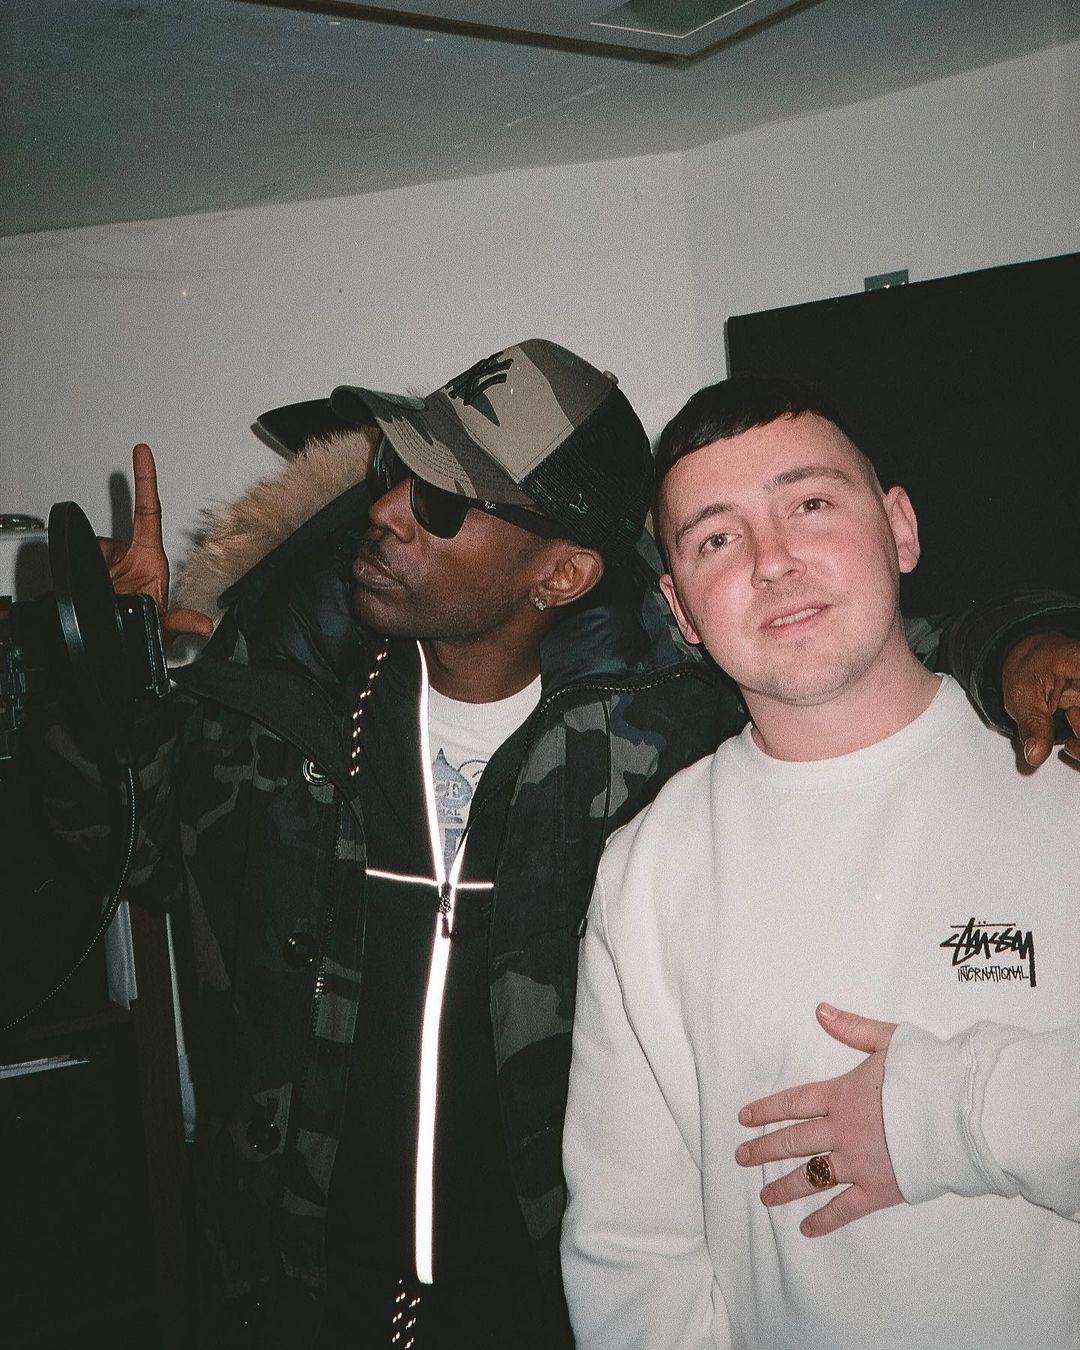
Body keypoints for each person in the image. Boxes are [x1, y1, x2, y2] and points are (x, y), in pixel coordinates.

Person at [88, 344, 1079, 1347]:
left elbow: (837, 652)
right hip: (292, 1301)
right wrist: (99, 694)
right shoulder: (275, 721)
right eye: (393, 476)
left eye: (442, 500)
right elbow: (116, 865)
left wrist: (1027, 636)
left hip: (531, 1314)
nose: (386, 511)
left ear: (560, 574)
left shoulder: (649, 742)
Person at [560, 373, 1080, 1350]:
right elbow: (634, 1251)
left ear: (900, 528)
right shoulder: (648, 867)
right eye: (716, 539)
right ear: (680, 608)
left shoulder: (1064, 763)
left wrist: (947, 1117)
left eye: (808, 503)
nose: (773, 562)